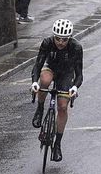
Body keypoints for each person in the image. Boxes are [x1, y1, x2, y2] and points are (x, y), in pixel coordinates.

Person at [30, 19, 83, 161]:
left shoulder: (76, 47)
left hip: (66, 74)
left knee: (62, 107)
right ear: (54, 36)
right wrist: (35, 82)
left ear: (69, 38)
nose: (60, 42)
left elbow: (79, 74)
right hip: (51, 68)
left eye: (64, 40)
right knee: (45, 80)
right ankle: (40, 109)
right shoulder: (47, 43)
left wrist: (74, 87)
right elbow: (37, 65)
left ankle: (57, 144)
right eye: (58, 38)